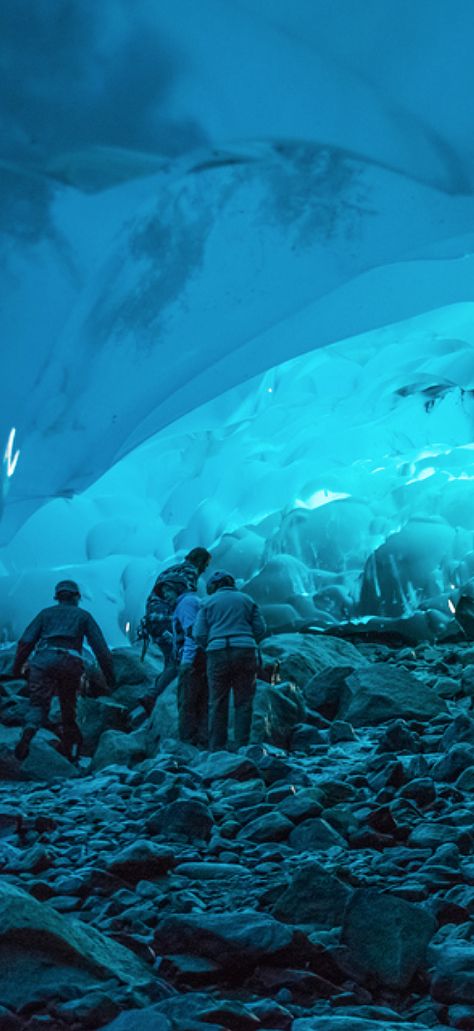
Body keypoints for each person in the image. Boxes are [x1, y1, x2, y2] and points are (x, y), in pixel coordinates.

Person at [12, 580, 116, 762]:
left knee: (38, 705)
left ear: (57, 597)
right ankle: (71, 754)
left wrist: (16, 668)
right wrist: (110, 679)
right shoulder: (83, 616)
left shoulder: (45, 614)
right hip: (70, 663)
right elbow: (101, 649)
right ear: (77, 597)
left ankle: (29, 730)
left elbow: (25, 642)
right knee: (68, 708)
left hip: (42, 661)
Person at [193, 571, 266, 751]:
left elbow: (199, 634)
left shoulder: (207, 603)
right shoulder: (247, 600)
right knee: (244, 701)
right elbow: (260, 629)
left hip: (217, 652)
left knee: (217, 701)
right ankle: (242, 746)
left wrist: (211, 643)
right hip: (245, 651)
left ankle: (217, 748)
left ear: (214, 586)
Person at [139, 547, 211, 709]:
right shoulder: (190, 571)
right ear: (200, 561)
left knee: (169, 659)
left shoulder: (170, 570)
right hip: (168, 619)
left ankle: (155, 695)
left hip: (152, 619)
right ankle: (154, 696)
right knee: (176, 660)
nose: (205, 570)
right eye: (205, 565)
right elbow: (186, 600)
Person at [170, 579, 207, 747]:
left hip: (192, 660)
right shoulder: (192, 601)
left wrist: (186, 661)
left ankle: (186, 743)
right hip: (200, 658)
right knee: (201, 700)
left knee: (187, 700)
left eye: (167, 591)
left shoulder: (186, 603)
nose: (165, 596)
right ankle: (202, 739)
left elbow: (191, 632)